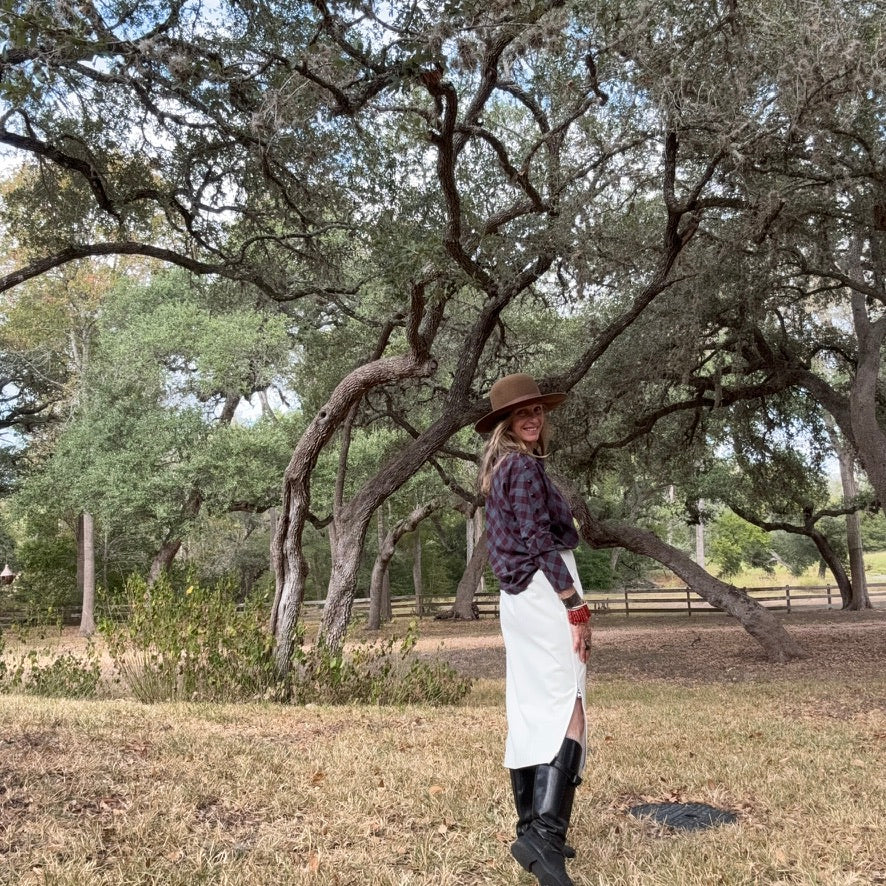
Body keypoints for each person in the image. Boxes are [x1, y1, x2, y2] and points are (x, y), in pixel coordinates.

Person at [475, 373, 591, 886]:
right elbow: (539, 541)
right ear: (503, 422)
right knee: (569, 704)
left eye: (538, 410)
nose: (531, 417)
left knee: (529, 705)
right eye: (520, 412)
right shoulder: (521, 467)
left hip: (518, 598)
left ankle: (530, 826)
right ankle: (544, 837)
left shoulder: (502, 469)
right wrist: (575, 605)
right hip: (544, 593)